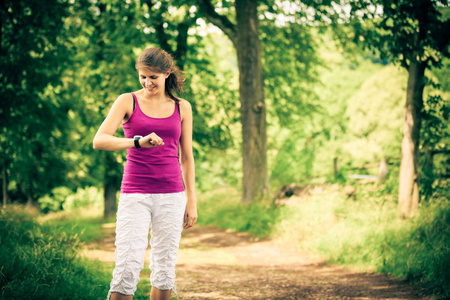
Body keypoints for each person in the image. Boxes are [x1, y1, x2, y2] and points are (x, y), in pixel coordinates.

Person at [93, 47, 198, 300]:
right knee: (127, 266)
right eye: (142, 76)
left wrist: (191, 200)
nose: (147, 82)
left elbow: (186, 156)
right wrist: (136, 142)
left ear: (166, 73)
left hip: (172, 195)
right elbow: (100, 140)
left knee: (164, 268)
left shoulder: (182, 107)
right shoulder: (127, 100)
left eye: (153, 77)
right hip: (135, 193)